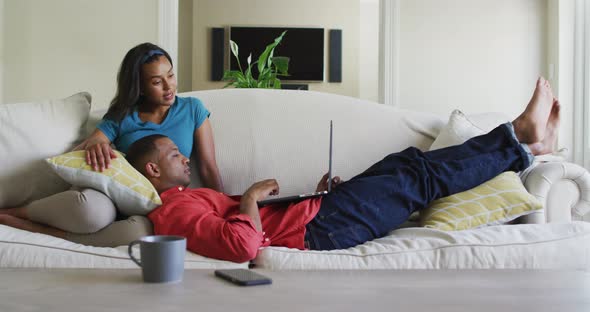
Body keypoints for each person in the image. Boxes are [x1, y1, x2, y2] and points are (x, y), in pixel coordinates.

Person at [123, 77, 561, 263]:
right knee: (416, 180)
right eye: (171, 154)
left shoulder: (186, 200)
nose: (183, 156)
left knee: (405, 165)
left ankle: (528, 145)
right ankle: (521, 138)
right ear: (151, 170)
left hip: (319, 214)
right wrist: (251, 197)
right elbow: (242, 246)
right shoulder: (172, 213)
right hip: (320, 231)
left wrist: (314, 195)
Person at [0, 42, 223, 247]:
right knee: (90, 211)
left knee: (140, 233)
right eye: (157, 81)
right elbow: (93, 141)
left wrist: (221, 210)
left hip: (154, 207)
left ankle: (35, 229)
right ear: (140, 87)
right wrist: (97, 142)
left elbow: (207, 167)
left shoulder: (192, 109)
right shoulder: (123, 116)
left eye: (171, 75)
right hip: (114, 198)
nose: (168, 86)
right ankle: (18, 212)